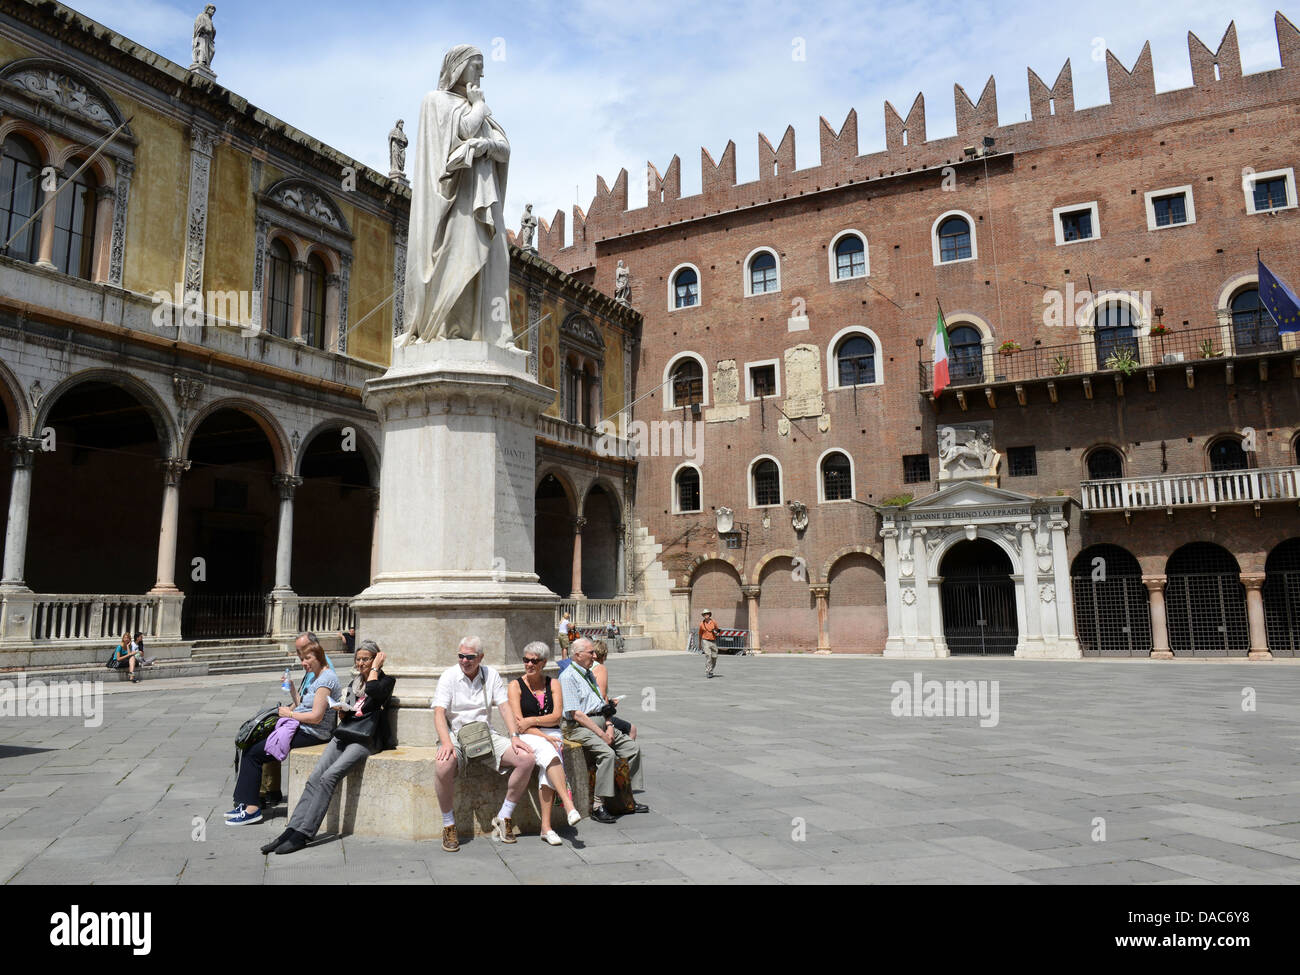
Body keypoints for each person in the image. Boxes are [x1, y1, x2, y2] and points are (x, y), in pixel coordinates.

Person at [399, 45, 512, 347]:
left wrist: (485, 146)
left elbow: (504, 147)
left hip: (484, 199)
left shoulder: (480, 108)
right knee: (460, 259)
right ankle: (450, 330)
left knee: (492, 258)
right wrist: (477, 108)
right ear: (459, 66)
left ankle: (489, 333)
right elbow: (461, 133)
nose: (483, 73)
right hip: (457, 202)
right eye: (477, 65)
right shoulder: (435, 102)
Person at [260, 640, 397, 855]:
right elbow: (354, 709)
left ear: (376, 659)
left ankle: (304, 833)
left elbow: (374, 690)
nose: (361, 663)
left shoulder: (386, 681)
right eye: (358, 659)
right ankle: (291, 830)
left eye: (366, 659)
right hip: (345, 733)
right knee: (315, 776)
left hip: (365, 740)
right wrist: (343, 712)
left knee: (329, 776)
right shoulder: (354, 683)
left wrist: (376, 669)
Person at [431, 636, 539, 852]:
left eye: (469, 657)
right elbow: (439, 712)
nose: (464, 661)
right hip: (456, 733)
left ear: (480, 657)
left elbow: (505, 707)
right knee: (443, 765)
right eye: (461, 656)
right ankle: (448, 824)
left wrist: (515, 736)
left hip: (484, 733)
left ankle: (504, 816)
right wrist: (445, 742)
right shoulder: (449, 676)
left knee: (527, 759)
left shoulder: (491, 675)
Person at [226, 634, 341, 826]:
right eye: (301, 658)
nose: (303, 662)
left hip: (313, 733)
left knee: (254, 753)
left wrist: (288, 715)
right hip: (302, 726)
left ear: (319, 656)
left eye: (307, 658)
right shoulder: (317, 676)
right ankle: (246, 802)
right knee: (251, 741)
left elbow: (316, 717)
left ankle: (252, 808)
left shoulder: (326, 680)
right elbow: (303, 704)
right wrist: (293, 689)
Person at [560, 638, 648, 823]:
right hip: (579, 727)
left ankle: (623, 797)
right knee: (607, 754)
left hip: (601, 721)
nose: (594, 656)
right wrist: (601, 735)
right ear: (577, 655)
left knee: (632, 749)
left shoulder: (588, 674)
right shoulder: (568, 677)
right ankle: (598, 805)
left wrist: (609, 726)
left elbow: (602, 704)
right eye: (590, 653)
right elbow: (575, 713)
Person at [507, 641, 583, 846]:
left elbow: (557, 717)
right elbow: (518, 724)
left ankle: (546, 828)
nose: (529, 664)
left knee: (547, 767)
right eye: (526, 660)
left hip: (551, 732)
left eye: (534, 661)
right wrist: (540, 731)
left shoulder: (553, 684)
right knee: (549, 752)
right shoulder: (515, 686)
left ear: (543, 663)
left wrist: (533, 720)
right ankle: (568, 804)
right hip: (530, 735)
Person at [592, 641, 635, 740]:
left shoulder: (586, 666)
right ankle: (625, 754)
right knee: (632, 729)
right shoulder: (600, 668)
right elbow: (601, 695)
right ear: (603, 655)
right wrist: (610, 708)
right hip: (598, 714)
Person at [699, 609, 720, 678]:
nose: (706, 615)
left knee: (714, 657)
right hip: (705, 641)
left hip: (713, 641)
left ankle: (711, 670)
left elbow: (718, 630)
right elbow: (700, 634)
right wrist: (700, 643)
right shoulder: (702, 624)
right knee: (708, 656)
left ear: (709, 615)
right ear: (703, 616)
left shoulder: (714, 622)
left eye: (707, 614)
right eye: (704, 614)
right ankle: (708, 671)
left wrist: (716, 632)